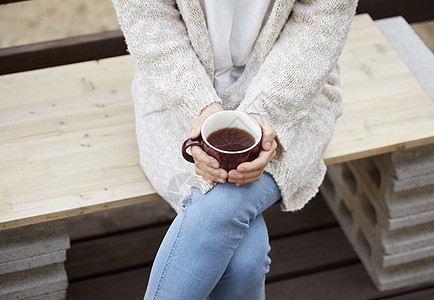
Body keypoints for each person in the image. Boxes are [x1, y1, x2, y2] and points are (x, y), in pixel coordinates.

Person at [112, 0, 358, 299]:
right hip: (177, 89)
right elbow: (149, 21)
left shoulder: (291, 89)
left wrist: (264, 115)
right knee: (245, 262)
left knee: (229, 230)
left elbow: (317, 29)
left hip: (294, 91)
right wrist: (199, 105)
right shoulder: (180, 89)